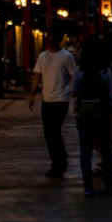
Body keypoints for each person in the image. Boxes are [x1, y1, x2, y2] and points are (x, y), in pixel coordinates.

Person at [70, 35, 112, 196]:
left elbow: (73, 91)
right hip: (102, 114)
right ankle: (109, 184)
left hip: (84, 114)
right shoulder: (105, 71)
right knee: (105, 149)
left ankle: (88, 187)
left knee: (85, 151)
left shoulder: (79, 71)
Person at [28, 28, 76, 178]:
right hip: (47, 100)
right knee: (49, 134)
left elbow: (73, 76)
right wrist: (32, 95)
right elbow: (37, 76)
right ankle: (58, 161)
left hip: (61, 100)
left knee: (54, 131)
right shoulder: (43, 56)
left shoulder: (67, 57)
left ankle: (59, 162)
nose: (50, 38)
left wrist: (73, 95)